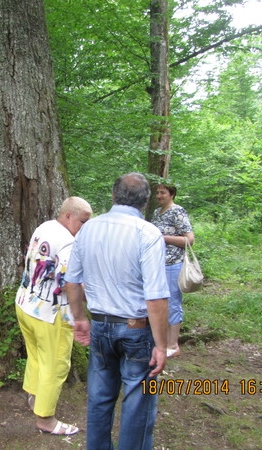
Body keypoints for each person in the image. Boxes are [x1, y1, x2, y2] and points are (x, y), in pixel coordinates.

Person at [65, 172, 169, 450]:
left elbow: (71, 280)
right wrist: (162, 345)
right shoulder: (148, 233)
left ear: (113, 195)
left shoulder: (89, 228)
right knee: (139, 399)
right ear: (145, 201)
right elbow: (156, 296)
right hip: (137, 329)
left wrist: (79, 318)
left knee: (99, 398)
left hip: (100, 326)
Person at [15, 196, 92, 436]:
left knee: (37, 355)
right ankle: (45, 420)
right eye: (83, 221)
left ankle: (34, 397)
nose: (85, 227)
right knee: (56, 365)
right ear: (68, 215)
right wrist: (82, 314)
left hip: (25, 304)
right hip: (51, 313)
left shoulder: (45, 227)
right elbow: (70, 283)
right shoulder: (68, 242)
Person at [150, 184, 194, 358]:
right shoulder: (156, 212)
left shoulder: (178, 211)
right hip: (157, 265)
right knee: (159, 302)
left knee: (173, 303)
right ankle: (162, 341)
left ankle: (173, 344)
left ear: (172, 194)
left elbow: (189, 240)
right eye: (157, 192)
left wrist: (163, 238)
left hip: (173, 264)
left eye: (163, 192)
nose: (159, 196)